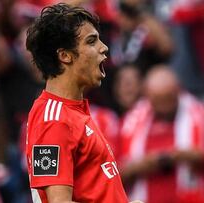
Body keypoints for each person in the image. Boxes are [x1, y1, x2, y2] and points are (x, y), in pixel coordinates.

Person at [25, 3, 140, 203]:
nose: (104, 48)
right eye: (91, 41)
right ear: (65, 56)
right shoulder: (54, 120)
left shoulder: (70, 112)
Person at [120, 65, 204, 203]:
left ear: (178, 90)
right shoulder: (131, 121)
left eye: (168, 99)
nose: (164, 108)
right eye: (158, 101)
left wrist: (190, 156)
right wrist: (143, 165)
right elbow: (115, 173)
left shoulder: (199, 114)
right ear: (147, 95)